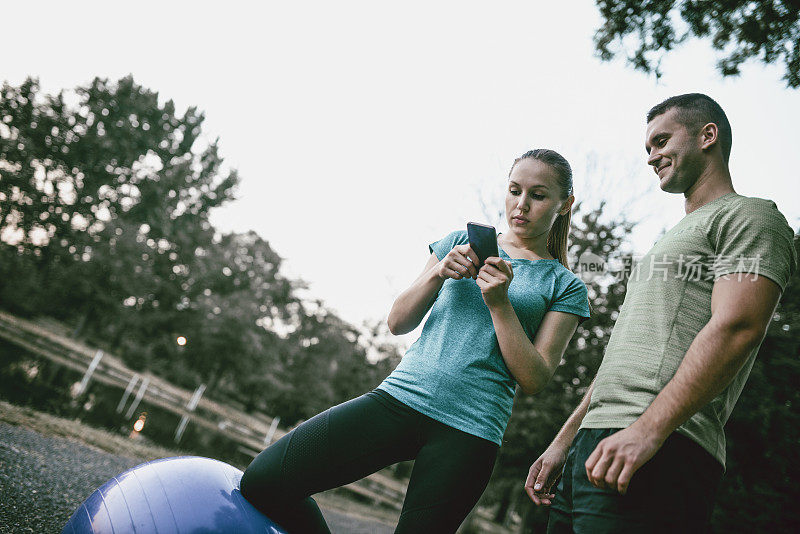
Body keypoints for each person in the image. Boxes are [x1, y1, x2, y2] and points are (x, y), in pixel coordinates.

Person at [240, 149, 591, 533]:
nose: (520, 205)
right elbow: (397, 322)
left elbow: (535, 378)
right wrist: (438, 273)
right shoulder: (459, 242)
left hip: (470, 433)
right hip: (399, 400)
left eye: (538, 195)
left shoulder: (565, 286)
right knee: (265, 480)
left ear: (565, 203)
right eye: (514, 190)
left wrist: (500, 304)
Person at [525, 94, 798, 533]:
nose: (651, 156)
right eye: (648, 148)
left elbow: (737, 327)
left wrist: (649, 431)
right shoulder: (667, 246)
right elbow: (624, 354)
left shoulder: (750, 216)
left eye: (662, 141)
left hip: (661, 445)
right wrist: (565, 440)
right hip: (598, 443)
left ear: (708, 136)